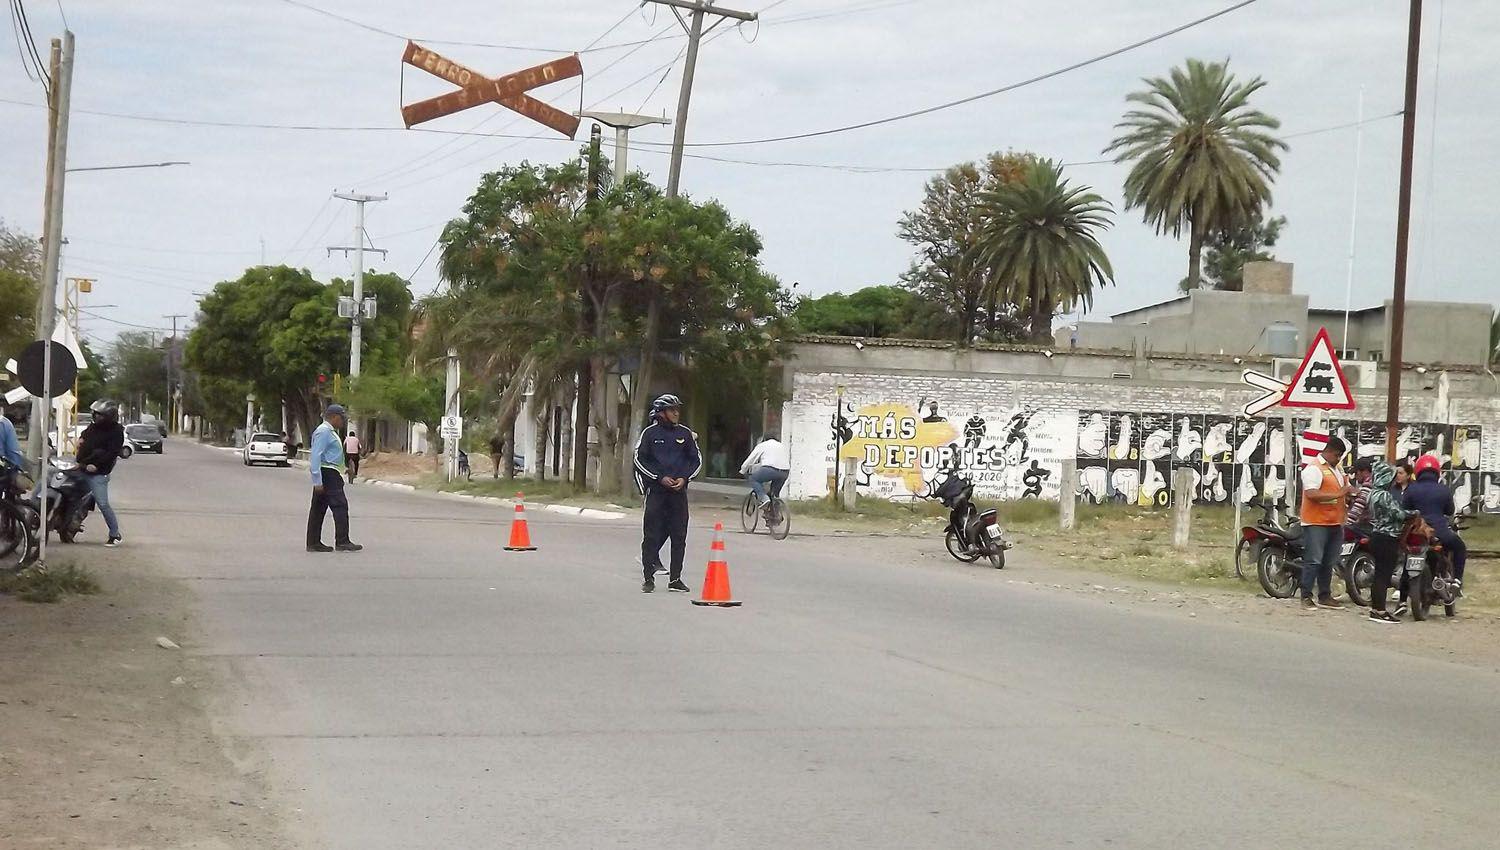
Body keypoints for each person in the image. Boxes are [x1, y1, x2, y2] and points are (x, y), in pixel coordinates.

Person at [634, 394, 700, 594]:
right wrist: (659, 477)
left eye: (677, 409)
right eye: (672, 409)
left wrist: (684, 478)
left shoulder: (685, 434)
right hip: (656, 492)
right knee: (652, 534)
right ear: (662, 412)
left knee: (679, 535)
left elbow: (696, 460)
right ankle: (648, 577)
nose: (676, 413)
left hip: (678, 494)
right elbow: (639, 460)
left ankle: (676, 579)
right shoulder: (649, 434)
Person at [1298, 435, 1352, 611]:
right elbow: (1312, 494)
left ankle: (1325, 595)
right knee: (1314, 559)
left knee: (1329, 561)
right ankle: (1306, 596)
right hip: (1316, 522)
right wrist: (1339, 494)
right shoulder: (1313, 469)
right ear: (1328, 451)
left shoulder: (1336, 469)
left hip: (1335, 522)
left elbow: (1340, 490)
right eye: (1337, 455)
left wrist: (1349, 494)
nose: (1338, 459)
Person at [1403, 453, 1467, 593]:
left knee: (1405, 556)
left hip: (1417, 533)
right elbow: (1450, 511)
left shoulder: (1411, 489)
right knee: (1460, 547)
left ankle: (1402, 598)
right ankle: (1456, 580)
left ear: (1417, 471)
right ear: (1437, 471)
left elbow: (1404, 510)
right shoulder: (1444, 489)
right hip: (1440, 532)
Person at [1364, 459, 1418, 624]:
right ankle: (1380, 610)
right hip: (1388, 537)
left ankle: (1375, 608)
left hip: (1376, 535)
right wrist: (1413, 513)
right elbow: (1398, 514)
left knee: (1379, 574)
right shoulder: (1384, 495)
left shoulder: (1371, 493)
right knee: (1384, 575)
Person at [307, 403, 361, 553]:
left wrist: (345, 469)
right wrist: (317, 480)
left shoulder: (329, 431)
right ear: (334, 417)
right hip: (328, 474)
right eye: (341, 418)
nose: (342, 422)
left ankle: (313, 542)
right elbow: (316, 456)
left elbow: (331, 455)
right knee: (340, 506)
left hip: (330, 472)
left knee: (318, 508)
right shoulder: (324, 431)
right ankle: (342, 541)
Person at [77, 399, 125, 547]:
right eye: (95, 414)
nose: (96, 417)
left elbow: (111, 453)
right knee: (55, 482)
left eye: (100, 415)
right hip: (81, 466)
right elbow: (85, 435)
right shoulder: (93, 427)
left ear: (108, 416)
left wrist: (95, 466)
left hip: (98, 473)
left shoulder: (116, 431)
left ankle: (115, 534)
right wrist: (81, 439)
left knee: (103, 504)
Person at [739, 432, 790, 516]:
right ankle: (775, 516)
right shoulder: (781, 445)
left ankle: (763, 498)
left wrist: (743, 470)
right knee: (774, 494)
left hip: (770, 470)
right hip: (785, 472)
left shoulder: (762, 445)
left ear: (764, 439)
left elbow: (751, 459)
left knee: (754, 479)